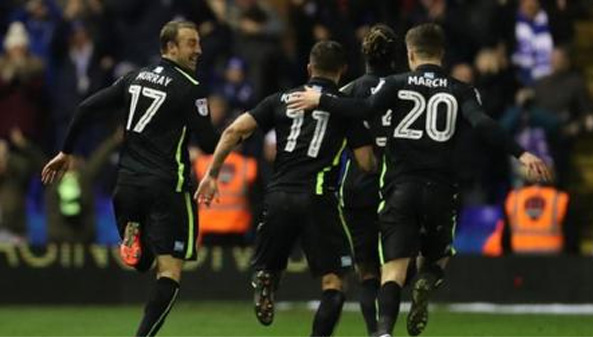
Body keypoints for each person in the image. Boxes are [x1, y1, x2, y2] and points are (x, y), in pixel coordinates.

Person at [287, 23, 552, 337]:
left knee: (393, 271)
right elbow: (483, 124)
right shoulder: (461, 89)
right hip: (442, 188)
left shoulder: (396, 84)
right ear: (442, 53)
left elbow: (363, 108)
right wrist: (521, 154)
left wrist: (322, 101)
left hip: (399, 187)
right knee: (438, 257)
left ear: (410, 53)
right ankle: (429, 277)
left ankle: (383, 332)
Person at [41, 20, 219, 336]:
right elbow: (207, 144)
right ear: (170, 48)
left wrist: (66, 152)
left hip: (126, 185)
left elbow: (84, 108)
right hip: (167, 186)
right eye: (191, 43)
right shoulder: (190, 87)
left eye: (198, 43)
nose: (199, 50)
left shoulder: (134, 77)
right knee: (170, 271)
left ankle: (133, 236)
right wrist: (231, 134)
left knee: (141, 263)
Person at [196, 40, 377, 336]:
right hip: (319, 199)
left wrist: (212, 174)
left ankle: (267, 277)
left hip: (278, 195)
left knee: (269, 265)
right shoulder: (345, 110)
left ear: (309, 68)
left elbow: (233, 131)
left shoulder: (280, 99)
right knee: (334, 283)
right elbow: (367, 163)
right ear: (343, 71)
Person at [337, 23, 397, 336]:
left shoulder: (349, 92)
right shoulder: (406, 88)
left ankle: (376, 332)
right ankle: (385, 326)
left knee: (367, 272)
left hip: (358, 187)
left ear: (365, 56)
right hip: (397, 186)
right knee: (397, 267)